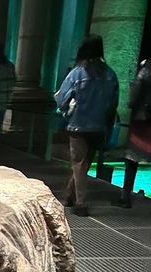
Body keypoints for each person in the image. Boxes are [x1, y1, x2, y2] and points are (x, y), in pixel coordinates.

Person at [55, 35, 119, 217]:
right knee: (84, 164)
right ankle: (68, 195)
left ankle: (81, 203)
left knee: (78, 163)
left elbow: (61, 98)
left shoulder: (77, 73)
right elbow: (114, 103)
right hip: (99, 126)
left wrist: (67, 111)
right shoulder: (110, 74)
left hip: (79, 125)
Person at [115, 58, 151, 208]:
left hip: (142, 119)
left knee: (132, 157)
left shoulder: (146, 68)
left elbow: (134, 96)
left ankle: (125, 196)